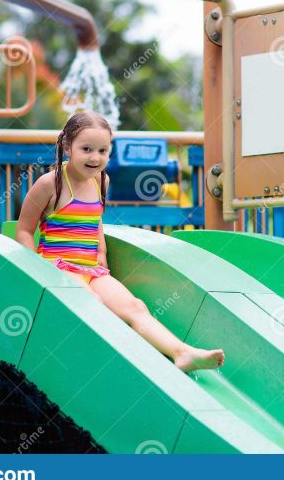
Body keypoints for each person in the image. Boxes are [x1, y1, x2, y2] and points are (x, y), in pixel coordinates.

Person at [16, 111, 225, 373]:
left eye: (103, 150)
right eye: (87, 149)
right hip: (58, 267)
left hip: (91, 269)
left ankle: (181, 353)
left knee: (135, 306)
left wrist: (101, 249)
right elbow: (24, 230)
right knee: (92, 302)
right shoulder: (50, 183)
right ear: (67, 146)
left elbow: (95, 218)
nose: (95, 157)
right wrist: (36, 269)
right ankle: (113, 368)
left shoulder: (101, 180)